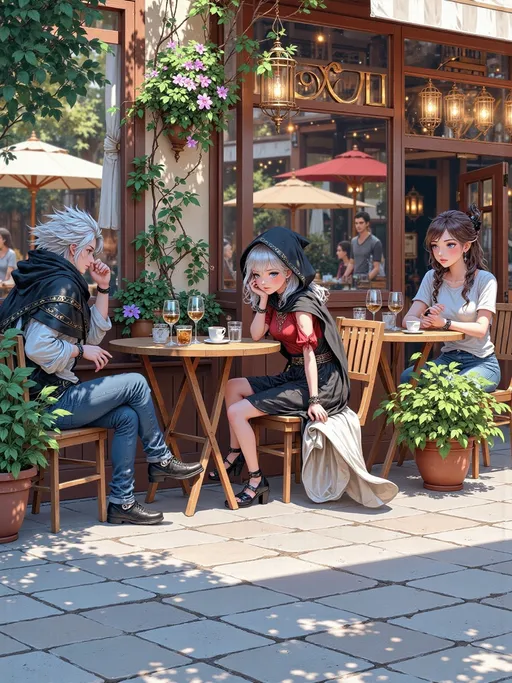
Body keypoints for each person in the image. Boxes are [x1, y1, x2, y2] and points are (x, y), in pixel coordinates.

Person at [0, 206, 203, 525]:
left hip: (37, 403)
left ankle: (122, 502)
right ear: (72, 249)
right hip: (49, 404)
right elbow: (39, 346)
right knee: (136, 383)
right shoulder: (60, 285)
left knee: (125, 416)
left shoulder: (45, 278)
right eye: (90, 251)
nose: (92, 258)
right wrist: (81, 350)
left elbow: (91, 332)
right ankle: (160, 458)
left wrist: (103, 287)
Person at [208, 227, 351, 507]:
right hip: (296, 374)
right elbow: (258, 333)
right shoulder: (276, 299)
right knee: (232, 386)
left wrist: (314, 400)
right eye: (257, 275)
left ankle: (255, 479)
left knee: (237, 412)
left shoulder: (302, 305)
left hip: (321, 382)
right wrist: (262, 299)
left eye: (271, 273)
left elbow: (310, 354)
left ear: (288, 272)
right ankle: (236, 453)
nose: (263, 280)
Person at [401, 206, 500, 391]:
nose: (440, 253)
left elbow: (481, 329)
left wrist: (444, 323)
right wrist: (427, 321)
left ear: (466, 246)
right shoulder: (431, 277)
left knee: (456, 389)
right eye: (435, 245)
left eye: (450, 245)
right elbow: (408, 319)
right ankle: (424, 422)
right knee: (409, 377)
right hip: (447, 359)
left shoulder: (485, 280)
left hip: (482, 363)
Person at [342, 211, 382, 282]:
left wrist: (365, 280)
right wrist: (344, 277)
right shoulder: (353, 241)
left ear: (367, 223)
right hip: (355, 281)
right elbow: (351, 263)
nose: (358, 226)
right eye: (356, 223)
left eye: (361, 223)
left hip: (369, 283)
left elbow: (376, 268)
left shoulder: (375, 242)